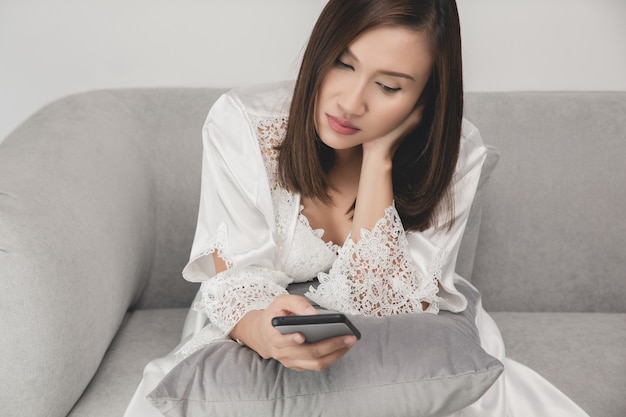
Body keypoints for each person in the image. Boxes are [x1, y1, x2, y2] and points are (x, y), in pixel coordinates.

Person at [124, 0, 590, 415]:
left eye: (389, 87)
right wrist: (265, 330)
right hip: (254, 319)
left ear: (426, 99)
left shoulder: (458, 154)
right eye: (343, 64)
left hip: (400, 334)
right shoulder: (244, 125)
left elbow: (391, 307)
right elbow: (234, 281)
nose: (350, 103)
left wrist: (379, 158)